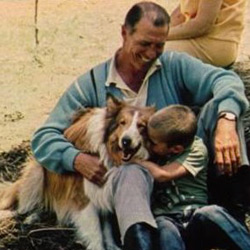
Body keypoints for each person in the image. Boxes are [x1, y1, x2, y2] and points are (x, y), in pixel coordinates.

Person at [31, 1, 249, 249]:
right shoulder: (92, 83)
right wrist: (76, 159)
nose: (151, 53)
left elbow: (225, 78)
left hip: (185, 170)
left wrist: (227, 119)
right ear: (124, 33)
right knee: (130, 170)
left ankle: (232, 213)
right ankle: (139, 237)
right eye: (144, 44)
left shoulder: (174, 64)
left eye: (159, 45)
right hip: (134, 181)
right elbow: (44, 137)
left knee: (222, 109)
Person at [136, 104, 250, 249]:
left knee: (211, 212)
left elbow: (163, 175)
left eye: (153, 143)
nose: (149, 145)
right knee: (163, 226)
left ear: (176, 148)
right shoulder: (157, 151)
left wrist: (137, 161)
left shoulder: (197, 150)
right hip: (168, 220)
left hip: (195, 220)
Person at [165, 0, 247, 67]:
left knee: (157, 54)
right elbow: (181, 14)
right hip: (198, 37)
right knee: (154, 46)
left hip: (215, 43)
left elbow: (202, 26)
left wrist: (162, 35)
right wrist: (160, 31)